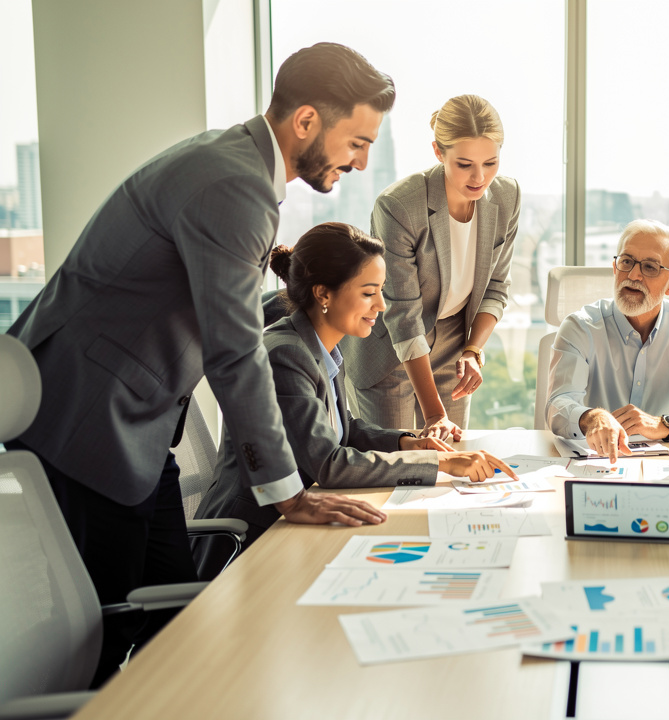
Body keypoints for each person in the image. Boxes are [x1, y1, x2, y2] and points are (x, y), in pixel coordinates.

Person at [5, 42, 395, 685]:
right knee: (105, 633)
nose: (361, 161)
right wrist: (288, 491)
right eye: (356, 141)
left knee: (182, 624)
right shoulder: (235, 184)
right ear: (305, 122)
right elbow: (234, 351)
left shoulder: (234, 164)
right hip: (88, 415)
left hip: (137, 422)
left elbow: (231, 304)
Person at [194, 223, 517, 577]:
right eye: (368, 293)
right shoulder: (285, 356)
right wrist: (438, 464)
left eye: (381, 291)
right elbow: (328, 464)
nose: (381, 304)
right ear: (324, 294)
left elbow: (343, 429)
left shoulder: (321, 345)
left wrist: (407, 443)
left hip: (296, 524)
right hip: (251, 540)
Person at [343, 94, 520, 440]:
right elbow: (404, 315)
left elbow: (496, 287)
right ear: (439, 153)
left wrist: (473, 349)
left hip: (452, 345)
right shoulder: (399, 206)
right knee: (394, 469)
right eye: (464, 164)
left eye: (491, 163)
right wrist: (434, 413)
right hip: (390, 352)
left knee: (450, 467)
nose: (479, 178)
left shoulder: (506, 196)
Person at [546, 220, 669, 461]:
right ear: (615, 268)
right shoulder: (580, 326)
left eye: (650, 267)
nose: (634, 275)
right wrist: (592, 418)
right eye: (626, 262)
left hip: (667, 466)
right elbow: (558, 405)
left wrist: (666, 425)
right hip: (594, 464)